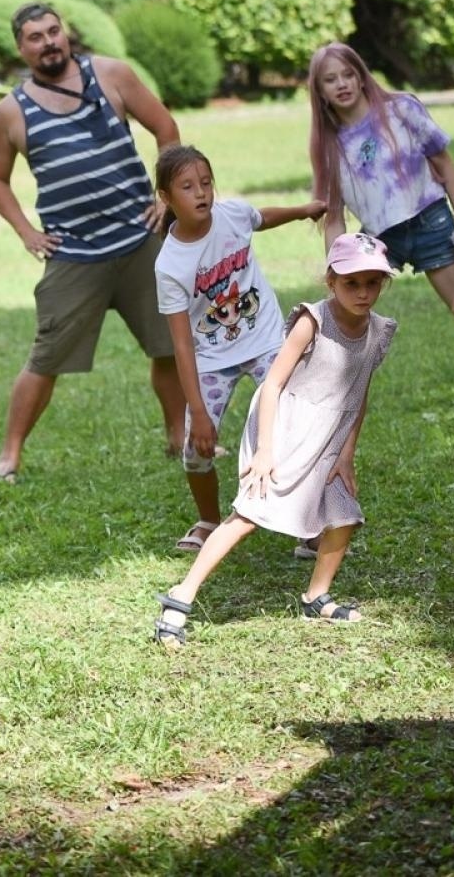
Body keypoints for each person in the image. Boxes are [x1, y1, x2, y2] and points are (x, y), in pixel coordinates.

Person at [151, 232, 397, 646]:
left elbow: (359, 393)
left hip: (328, 438)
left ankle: (317, 597)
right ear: (331, 281)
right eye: (351, 282)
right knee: (249, 515)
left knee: (344, 516)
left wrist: (347, 453)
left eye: (372, 283)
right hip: (283, 427)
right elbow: (272, 385)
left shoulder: (378, 331)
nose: (363, 292)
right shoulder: (312, 322)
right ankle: (181, 595)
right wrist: (265, 451)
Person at [0, 2, 185, 482]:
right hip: (73, 253)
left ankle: (179, 436)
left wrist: (166, 195)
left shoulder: (113, 75)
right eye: (35, 37)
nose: (48, 42)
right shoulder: (10, 112)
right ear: (21, 48)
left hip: (140, 239)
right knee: (45, 357)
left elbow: (165, 128)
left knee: (169, 346)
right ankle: (10, 455)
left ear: (66, 33)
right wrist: (26, 231)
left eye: (53, 31)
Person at [151, 145, 325, 554]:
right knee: (195, 452)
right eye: (188, 187)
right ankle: (208, 521)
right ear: (166, 197)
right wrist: (197, 412)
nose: (201, 193)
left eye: (206, 183)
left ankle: (307, 525)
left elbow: (262, 217)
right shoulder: (170, 265)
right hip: (212, 360)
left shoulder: (232, 216)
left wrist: (305, 210)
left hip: (265, 341)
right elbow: (182, 344)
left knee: (295, 427)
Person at [307, 43, 454, 317]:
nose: (342, 84)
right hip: (379, 239)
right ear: (319, 91)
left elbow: (446, 167)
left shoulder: (402, 110)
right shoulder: (327, 145)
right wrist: (337, 269)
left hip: (431, 223)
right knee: (345, 319)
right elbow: (334, 219)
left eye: (348, 74)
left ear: (361, 77)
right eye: (330, 79)